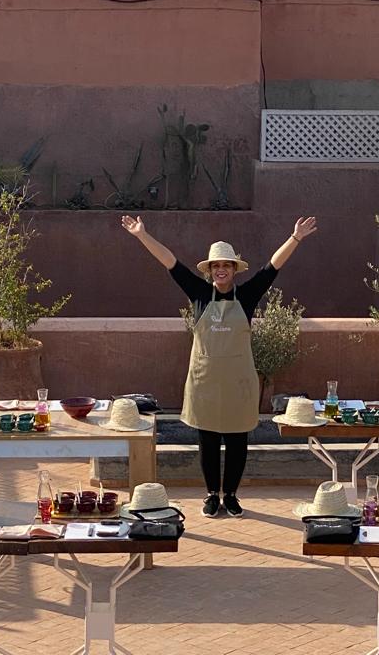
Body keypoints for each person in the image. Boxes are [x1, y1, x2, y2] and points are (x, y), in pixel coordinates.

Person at [121, 215, 317, 518]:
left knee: (238, 441)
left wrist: (296, 238)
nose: (221, 270)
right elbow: (171, 263)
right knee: (208, 442)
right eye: (216, 266)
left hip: (239, 382)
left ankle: (233, 495)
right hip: (205, 382)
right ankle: (212, 495)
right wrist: (141, 235)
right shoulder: (199, 293)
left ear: (233, 270)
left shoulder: (248, 295)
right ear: (210, 271)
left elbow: (272, 268)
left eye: (226, 265)